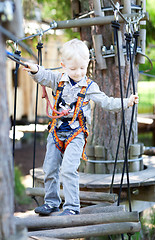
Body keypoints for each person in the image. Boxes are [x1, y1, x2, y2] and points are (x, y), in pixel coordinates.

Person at [24, 38, 139, 216]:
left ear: (88, 65)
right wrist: (35, 70)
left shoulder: (90, 86)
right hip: (56, 131)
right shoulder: (58, 79)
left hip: (76, 134)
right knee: (49, 168)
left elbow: (107, 102)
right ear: (63, 65)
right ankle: (51, 202)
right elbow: (44, 75)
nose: (78, 73)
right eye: (73, 69)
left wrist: (127, 102)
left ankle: (71, 207)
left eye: (82, 68)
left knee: (69, 169)